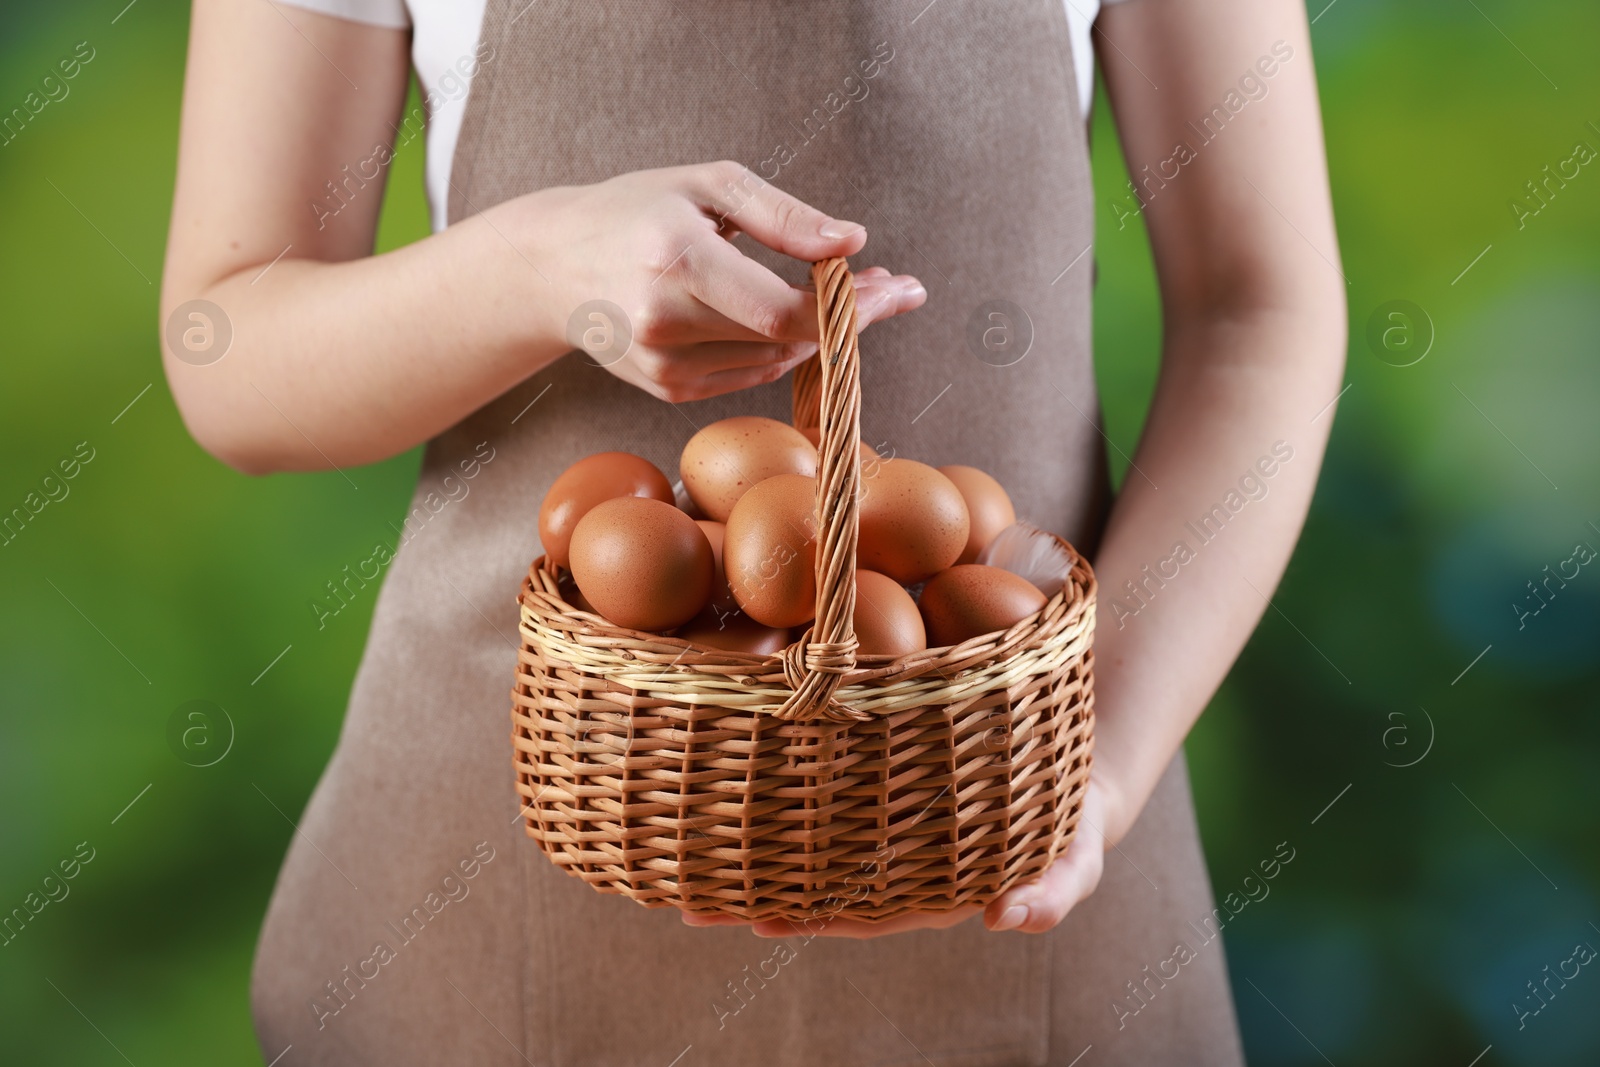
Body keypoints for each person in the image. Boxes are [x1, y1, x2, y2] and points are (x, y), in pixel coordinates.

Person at [161, 0, 1344, 1062]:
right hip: (486, 861)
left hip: (1006, 812)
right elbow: (229, 344)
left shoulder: (1062, 777)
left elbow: (1260, 307)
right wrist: (537, 268)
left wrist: (1101, 763)